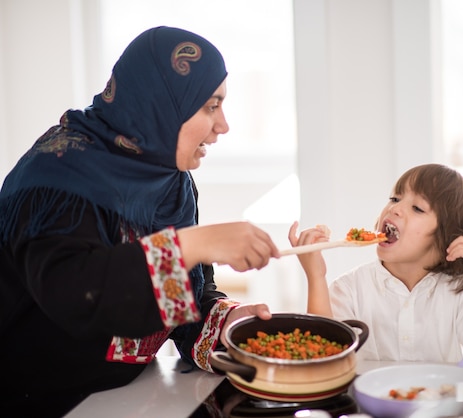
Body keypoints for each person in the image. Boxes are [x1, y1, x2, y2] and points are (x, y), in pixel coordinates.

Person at [0, 26, 280, 416]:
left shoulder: (173, 184)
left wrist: (228, 320)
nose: (223, 125)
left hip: (128, 398)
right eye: (210, 106)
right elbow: (75, 294)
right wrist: (193, 245)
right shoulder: (56, 175)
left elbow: (181, 303)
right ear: (162, 104)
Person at [288, 163, 463, 369]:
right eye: (394, 198)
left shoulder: (459, 291)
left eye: (418, 208)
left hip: (440, 405)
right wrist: (315, 276)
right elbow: (324, 358)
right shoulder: (350, 289)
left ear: (448, 237)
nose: (395, 209)